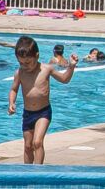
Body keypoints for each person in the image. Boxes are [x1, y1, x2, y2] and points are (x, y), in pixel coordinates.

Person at [7, 35, 75, 165]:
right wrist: (11, 102)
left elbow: (64, 79)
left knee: (37, 142)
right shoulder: (19, 73)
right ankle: (27, 171)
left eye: (28, 63)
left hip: (43, 112)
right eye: (21, 63)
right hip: (28, 113)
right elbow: (14, 89)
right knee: (28, 146)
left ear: (37, 56)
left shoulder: (46, 69)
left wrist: (71, 67)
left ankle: (38, 171)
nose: (24, 66)